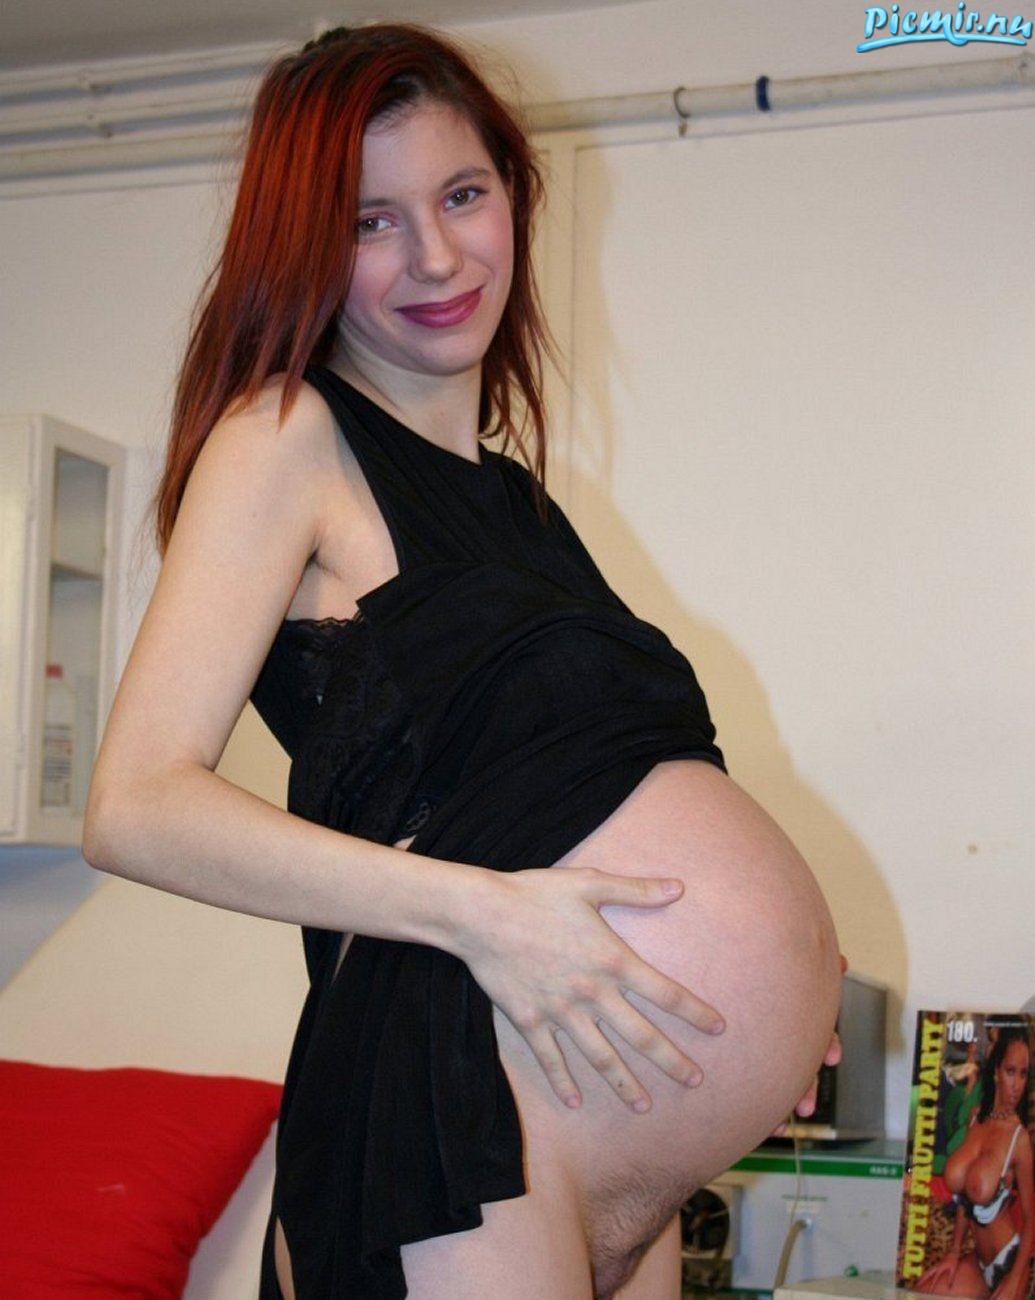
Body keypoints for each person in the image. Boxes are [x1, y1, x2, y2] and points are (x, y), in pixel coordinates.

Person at [82, 22, 844, 1299]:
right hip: (456, 1107)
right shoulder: (287, 435)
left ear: (515, 196)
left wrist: (791, 979)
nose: (435, 256)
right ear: (304, 247)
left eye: (461, 195)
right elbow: (134, 804)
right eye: (370, 221)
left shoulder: (522, 507)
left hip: (585, 1089)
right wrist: (491, 913)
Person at [916, 1027, 1033, 1300]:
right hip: (978, 1262)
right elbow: (965, 1199)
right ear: (996, 1071)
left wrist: (1016, 1277)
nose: (1017, 1084)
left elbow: (1031, 1216)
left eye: (1023, 1074)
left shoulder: (1018, 1138)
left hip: (1009, 1261)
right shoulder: (975, 1118)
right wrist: (954, 1252)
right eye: (1011, 1071)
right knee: (924, 1292)